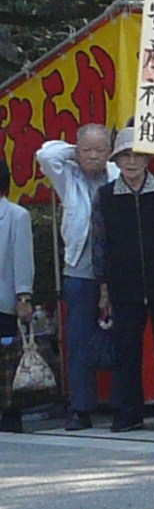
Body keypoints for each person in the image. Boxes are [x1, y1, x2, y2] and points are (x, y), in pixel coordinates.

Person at [92, 126, 154, 432]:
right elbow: (99, 242)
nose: (131, 162)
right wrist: (103, 285)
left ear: (147, 159)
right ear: (116, 160)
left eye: (138, 155)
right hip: (123, 284)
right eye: (125, 155)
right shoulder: (105, 196)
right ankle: (129, 412)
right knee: (126, 350)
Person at [37, 124, 117, 431]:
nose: (94, 156)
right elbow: (45, 154)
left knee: (119, 335)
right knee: (79, 339)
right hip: (79, 268)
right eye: (88, 150)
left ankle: (121, 403)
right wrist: (76, 151)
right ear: (77, 150)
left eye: (100, 150)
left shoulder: (116, 172)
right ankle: (81, 407)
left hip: (115, 266)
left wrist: (94, 151)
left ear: (110, 152)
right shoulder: (67, 173)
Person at [0, 158, 35, 433]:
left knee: (7, 360)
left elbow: (22, 258)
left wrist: (23, 296)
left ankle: (11, 414)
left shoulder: (15, 215)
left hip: (4, 300)